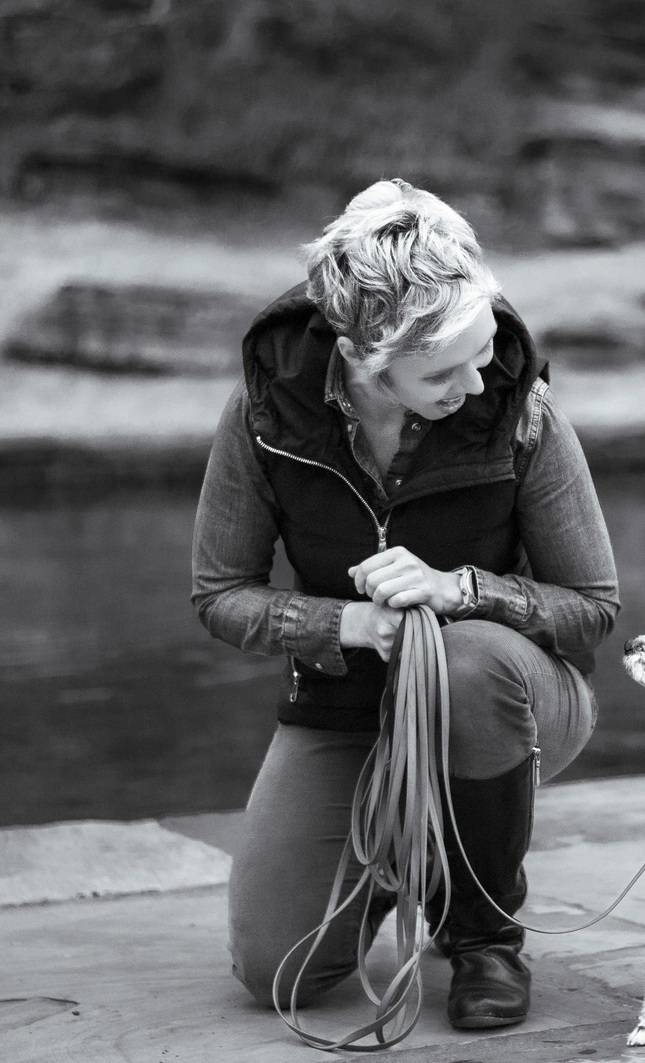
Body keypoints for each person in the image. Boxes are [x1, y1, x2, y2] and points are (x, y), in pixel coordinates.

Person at [191, 178, 619, 1029]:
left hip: (509, 696)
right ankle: (401, 852)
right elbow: (219, 592)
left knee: (466, 661)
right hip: (344, 703)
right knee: (277, 969)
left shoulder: (520, 410)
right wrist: (343, 623)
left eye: (482, 348)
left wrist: (461, 590)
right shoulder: (267, 414)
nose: (476, 382)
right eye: (443, 370)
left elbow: (593, 605)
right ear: (364, 355)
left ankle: (483, 935)